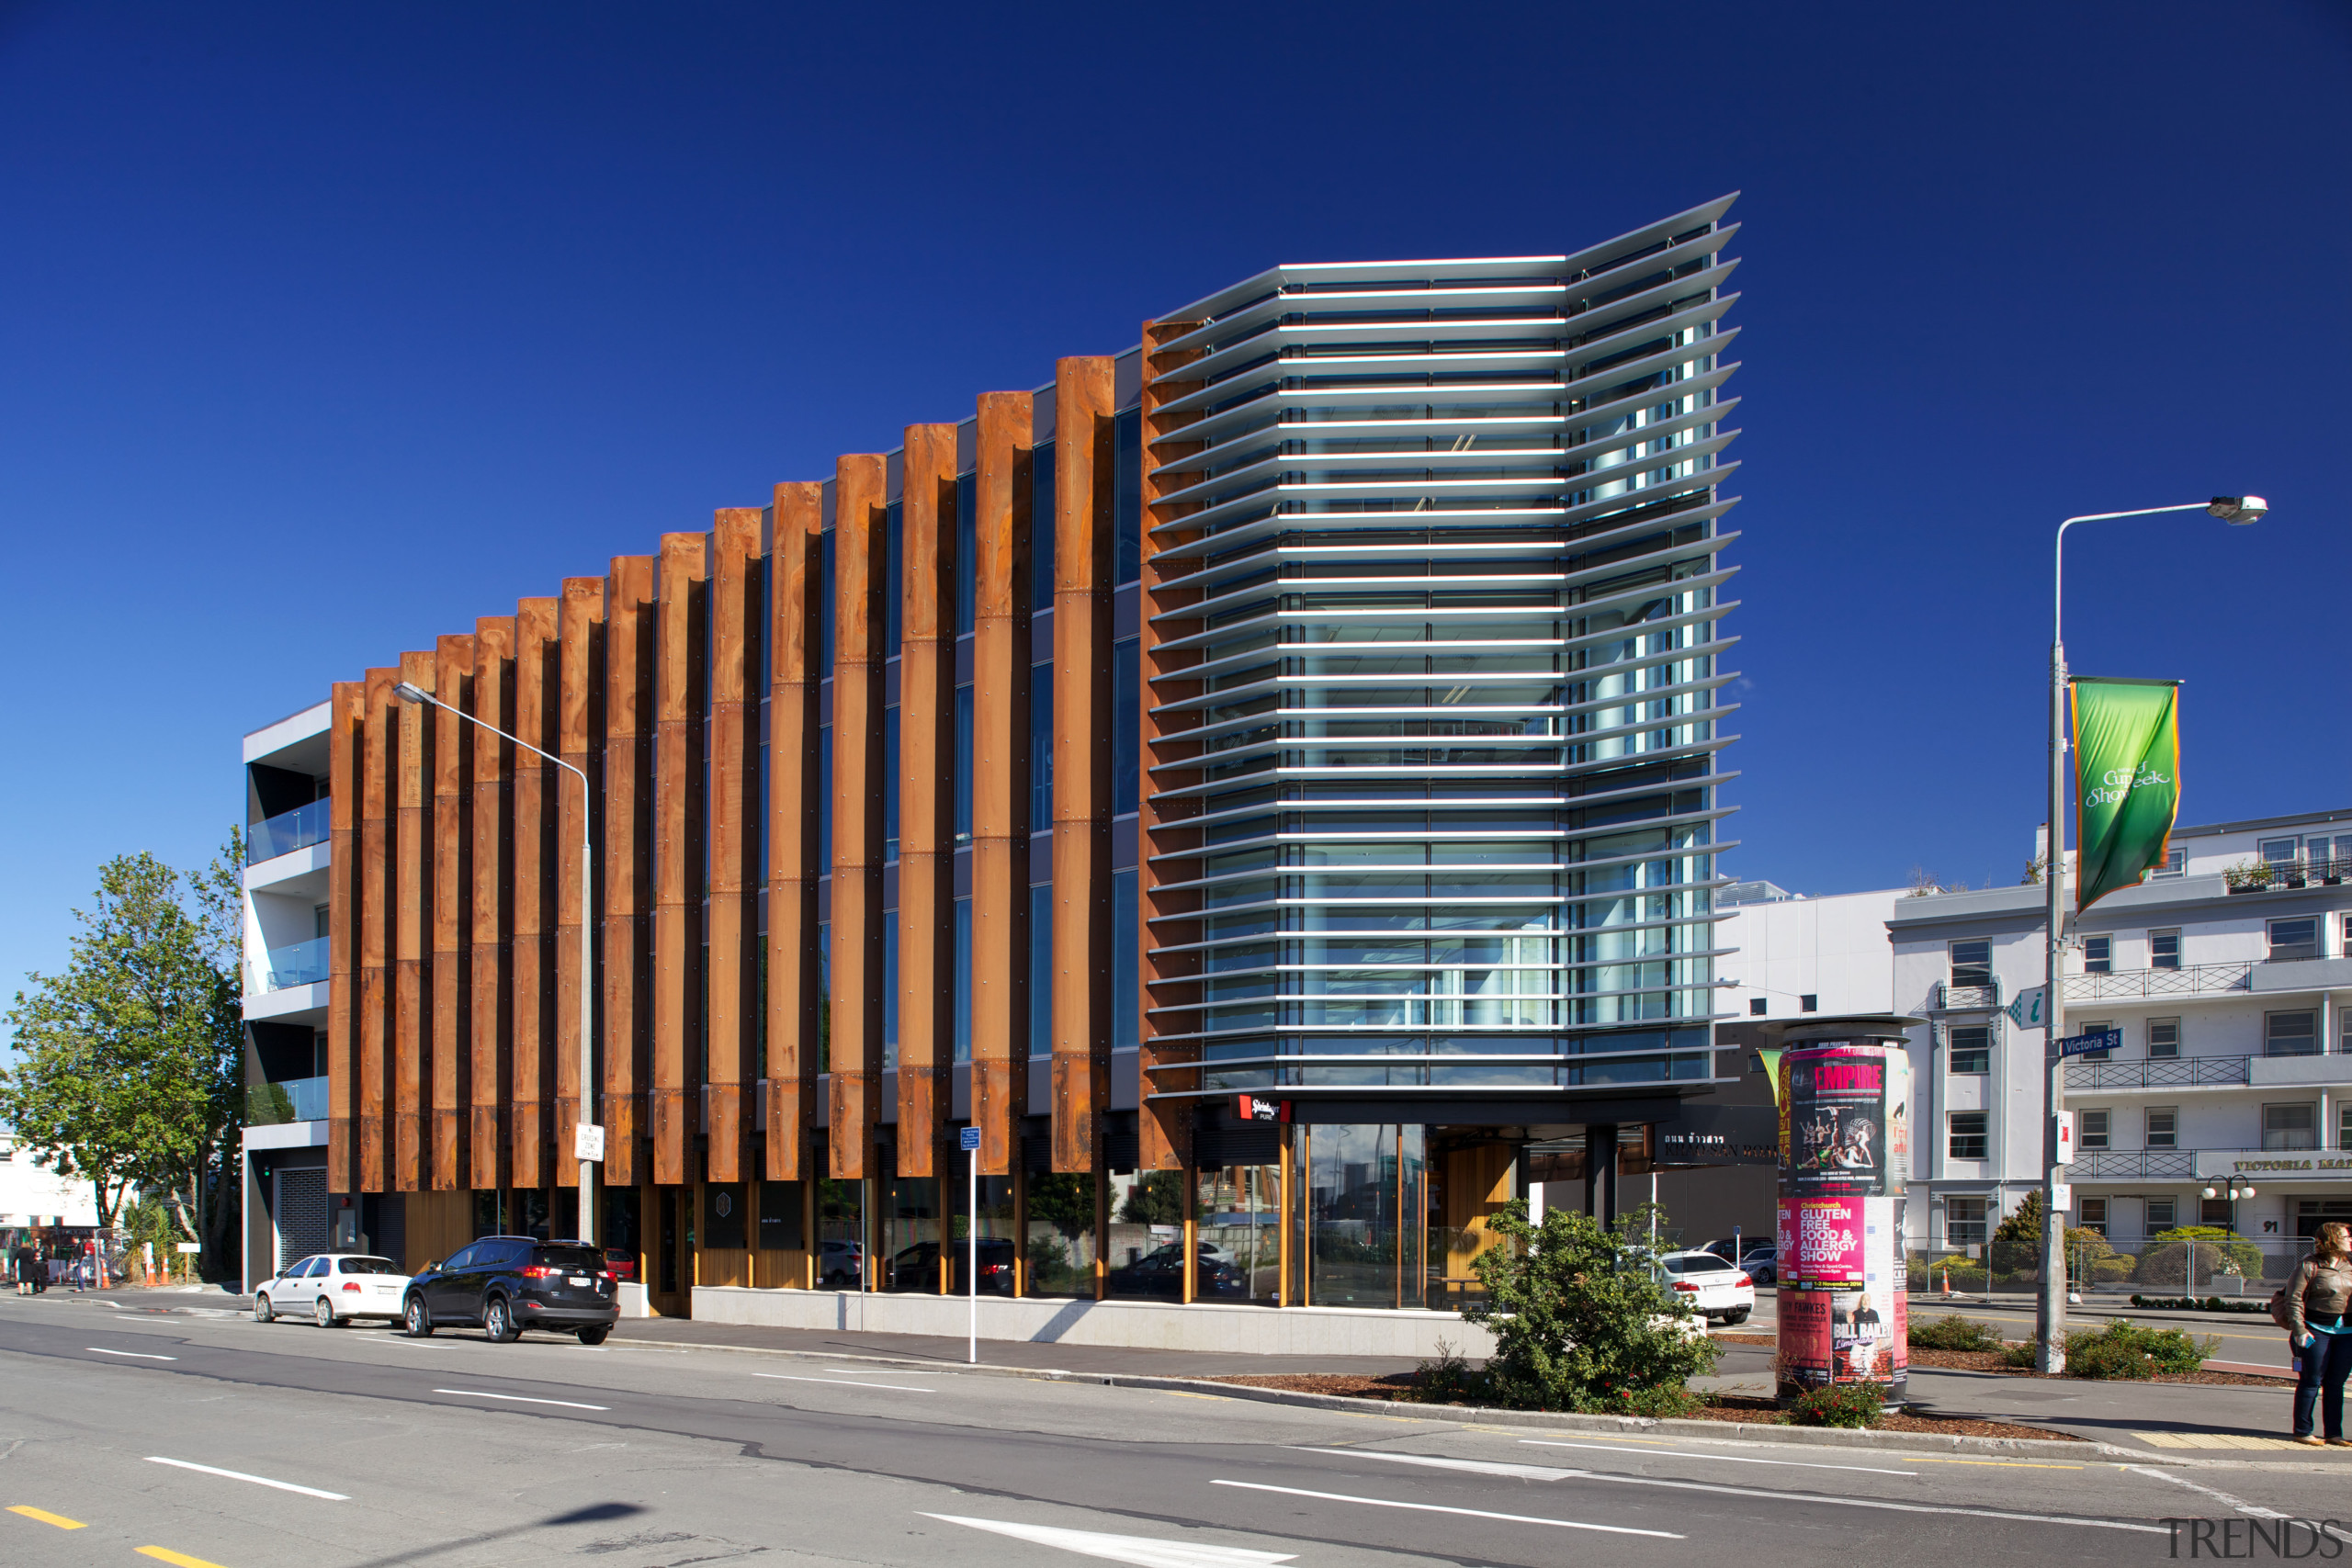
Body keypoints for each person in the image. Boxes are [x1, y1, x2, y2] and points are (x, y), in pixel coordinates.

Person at [2287, 1221, 2352, 1446]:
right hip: (2315, 1330)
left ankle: (2334, 1433)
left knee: (2336, 1383)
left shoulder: (2349, 1265)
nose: (2350, 1239)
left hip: (2346, 1332)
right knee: (2311, 1381)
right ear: (2333, 1239)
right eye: (2346, 1236)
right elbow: (2293, 1298)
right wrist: (2299, 1329)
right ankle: (2303, 1431)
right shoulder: (2310, 1265)